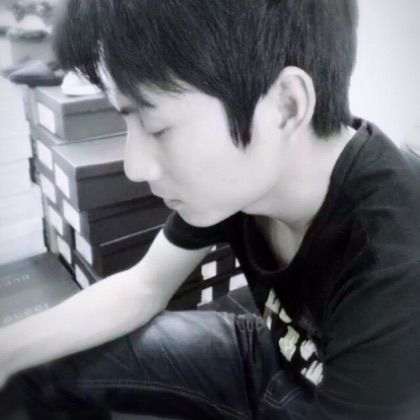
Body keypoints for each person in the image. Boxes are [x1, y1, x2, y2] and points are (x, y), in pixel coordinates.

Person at [2, 0, 420, 419]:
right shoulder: (247, 177)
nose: (134, 167)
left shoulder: (397, 263)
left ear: (286, 106)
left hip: (343, 398)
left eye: (156, 127)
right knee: (41, 365)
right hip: (269, 356)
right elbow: (144, 286)